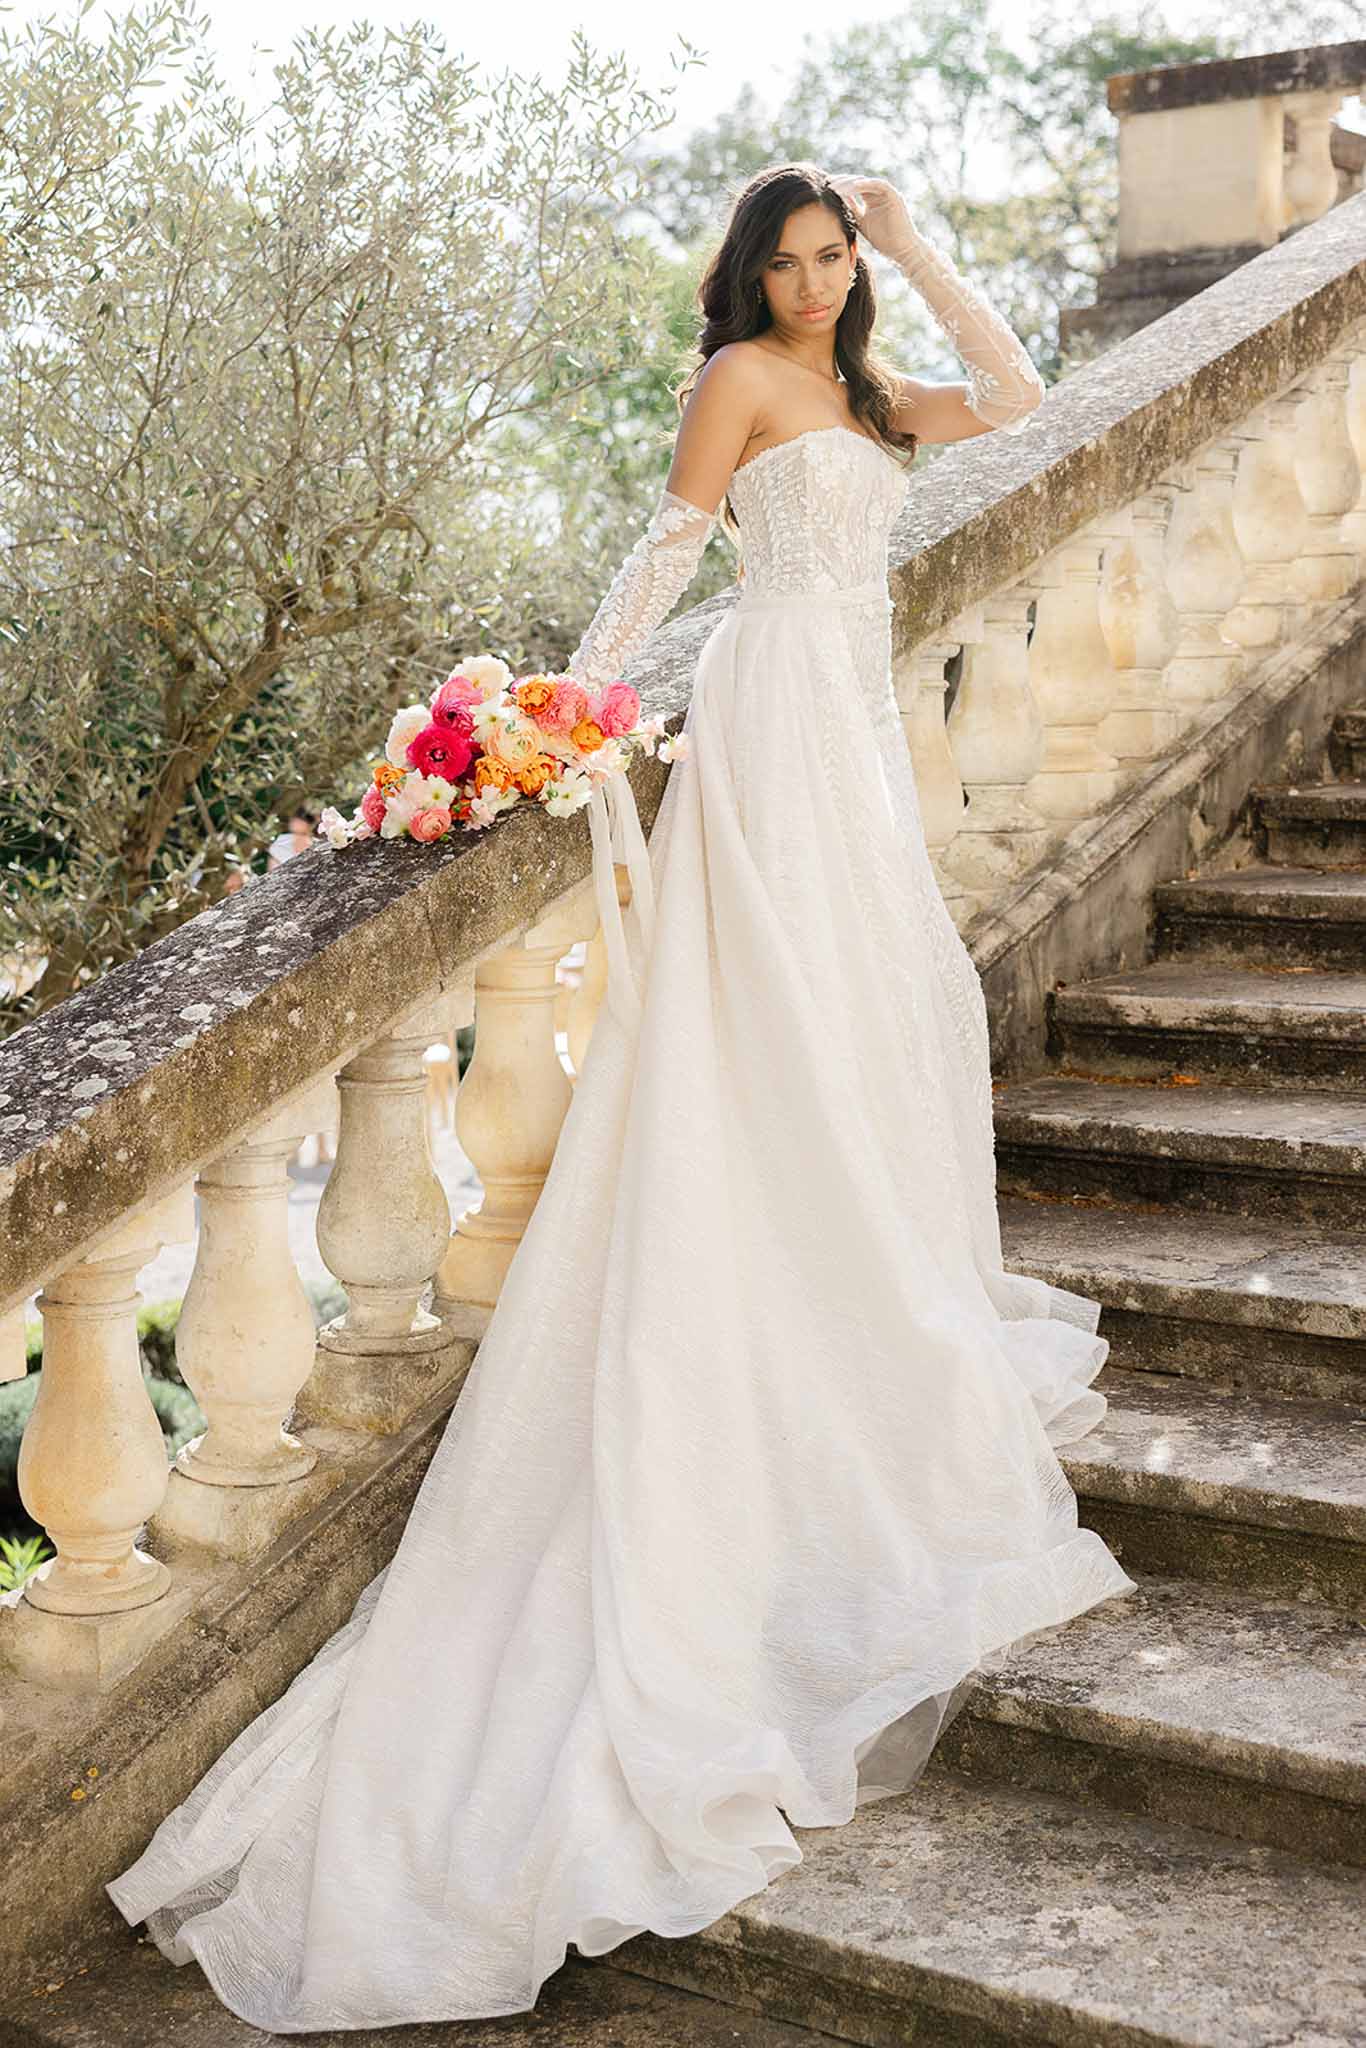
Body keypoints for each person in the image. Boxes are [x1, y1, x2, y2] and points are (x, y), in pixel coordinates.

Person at [105, 164, 1136, 2033]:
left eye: (833, 262)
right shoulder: (742, 378)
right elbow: (668, 555)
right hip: (758, 722)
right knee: (785, 1011)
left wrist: (919, 248)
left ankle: (852, 1277)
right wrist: (555, 720)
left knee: (869, 1012)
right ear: (746, 276)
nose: (813, 287)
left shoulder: (870, 385)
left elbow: (1032, 404)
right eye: (795, 262)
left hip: (850, 734)